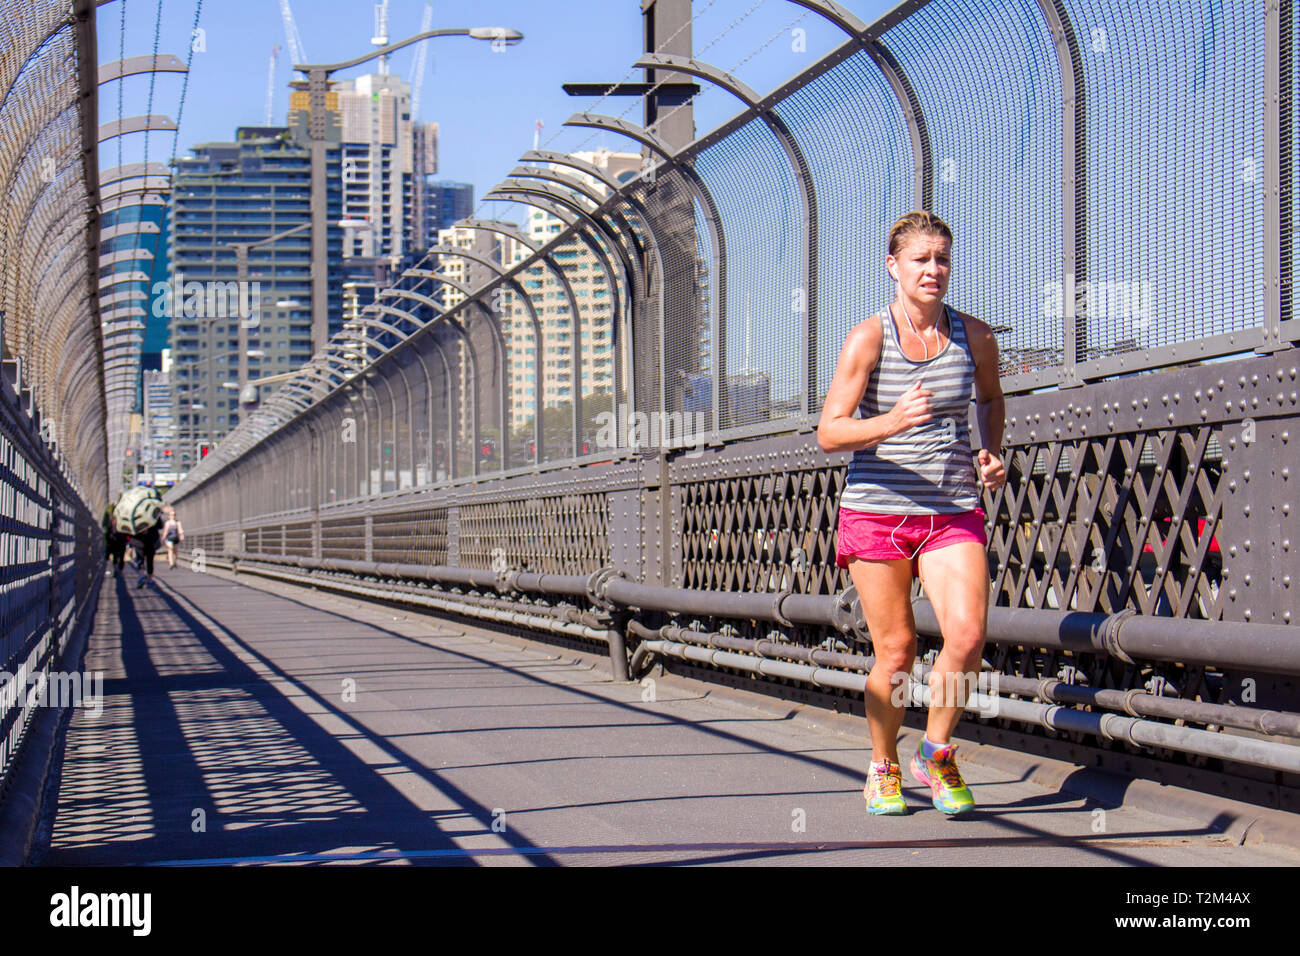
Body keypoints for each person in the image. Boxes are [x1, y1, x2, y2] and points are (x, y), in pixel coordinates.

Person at [816, 211, 1007, 816]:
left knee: (968, 635)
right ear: (893, 267)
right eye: (921, 260)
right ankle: (883, 764)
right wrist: (892, 423)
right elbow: (829, 432)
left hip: (951, 508)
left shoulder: (975, 336)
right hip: (877, 511)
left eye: (942, 259)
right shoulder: (868, 338)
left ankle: (938, 750)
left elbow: (992, 398)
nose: (933, 270)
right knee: (896, 654)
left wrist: (993, 453)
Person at [102, 498, 127, 577]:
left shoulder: (112, 525)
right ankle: (119, 570)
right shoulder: (122, 524)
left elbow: (107, 534)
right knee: (120, 557)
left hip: (116, 543)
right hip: (119, 543)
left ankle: (117, 569)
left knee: (117, 557)